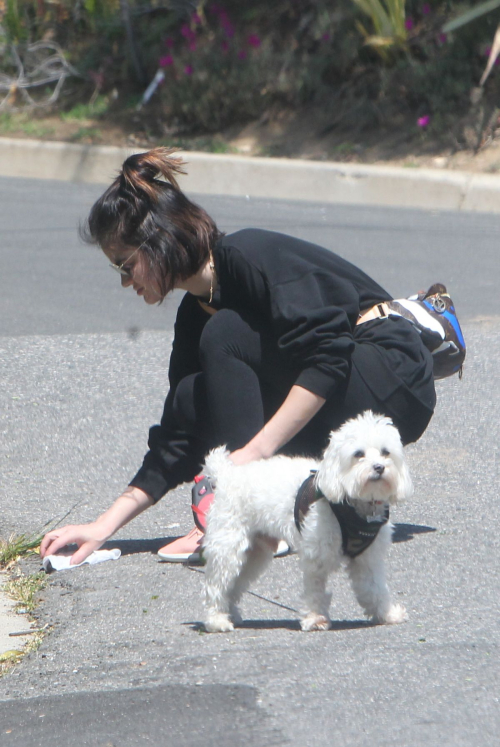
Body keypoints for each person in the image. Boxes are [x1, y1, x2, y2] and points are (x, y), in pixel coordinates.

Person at [40, 147, 436, 566]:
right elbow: (180, 433)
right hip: (343, 394)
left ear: (156, 243)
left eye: (126, 266)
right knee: (194, 392)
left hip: (392, 375)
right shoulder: (195, 312)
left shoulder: (247, 255)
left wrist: (250, 461)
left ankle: (262, 516)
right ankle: (283, 508)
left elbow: (329, 354)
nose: (125, 283)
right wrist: (102, 527)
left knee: (226, 334)